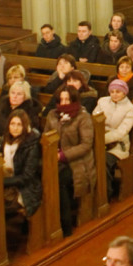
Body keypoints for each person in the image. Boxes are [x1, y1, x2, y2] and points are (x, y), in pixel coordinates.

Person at [43, 86, 95, 236]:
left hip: (77, 162)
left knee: (58, 180)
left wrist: (63, 155)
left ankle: (65, 224)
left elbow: (86, 145)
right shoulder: (53, 115)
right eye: (61, 99)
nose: (64, 102)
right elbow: (47, 137)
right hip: (54, 159)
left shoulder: (82, 117)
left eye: (67, 99)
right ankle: (48, 221)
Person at [95, 79, 133, 198]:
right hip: (98, 139)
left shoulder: (130, 108)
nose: (114, 94)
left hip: (118, 146)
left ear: (124, 93)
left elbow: (121, 132)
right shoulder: (102, 102)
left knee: (103, 160)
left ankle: (105, 193)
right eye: (112, 91)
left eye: (118, 92)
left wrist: (101, 139)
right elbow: (95, 118)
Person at [1, 110, 42, 224]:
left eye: (19, 125)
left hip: (26, 189)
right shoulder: (4, 140)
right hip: (8, 184)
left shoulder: (31, 144)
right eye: (12, 124)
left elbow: (27, 176)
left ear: (25, 126)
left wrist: (4, 182)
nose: (15, 128)